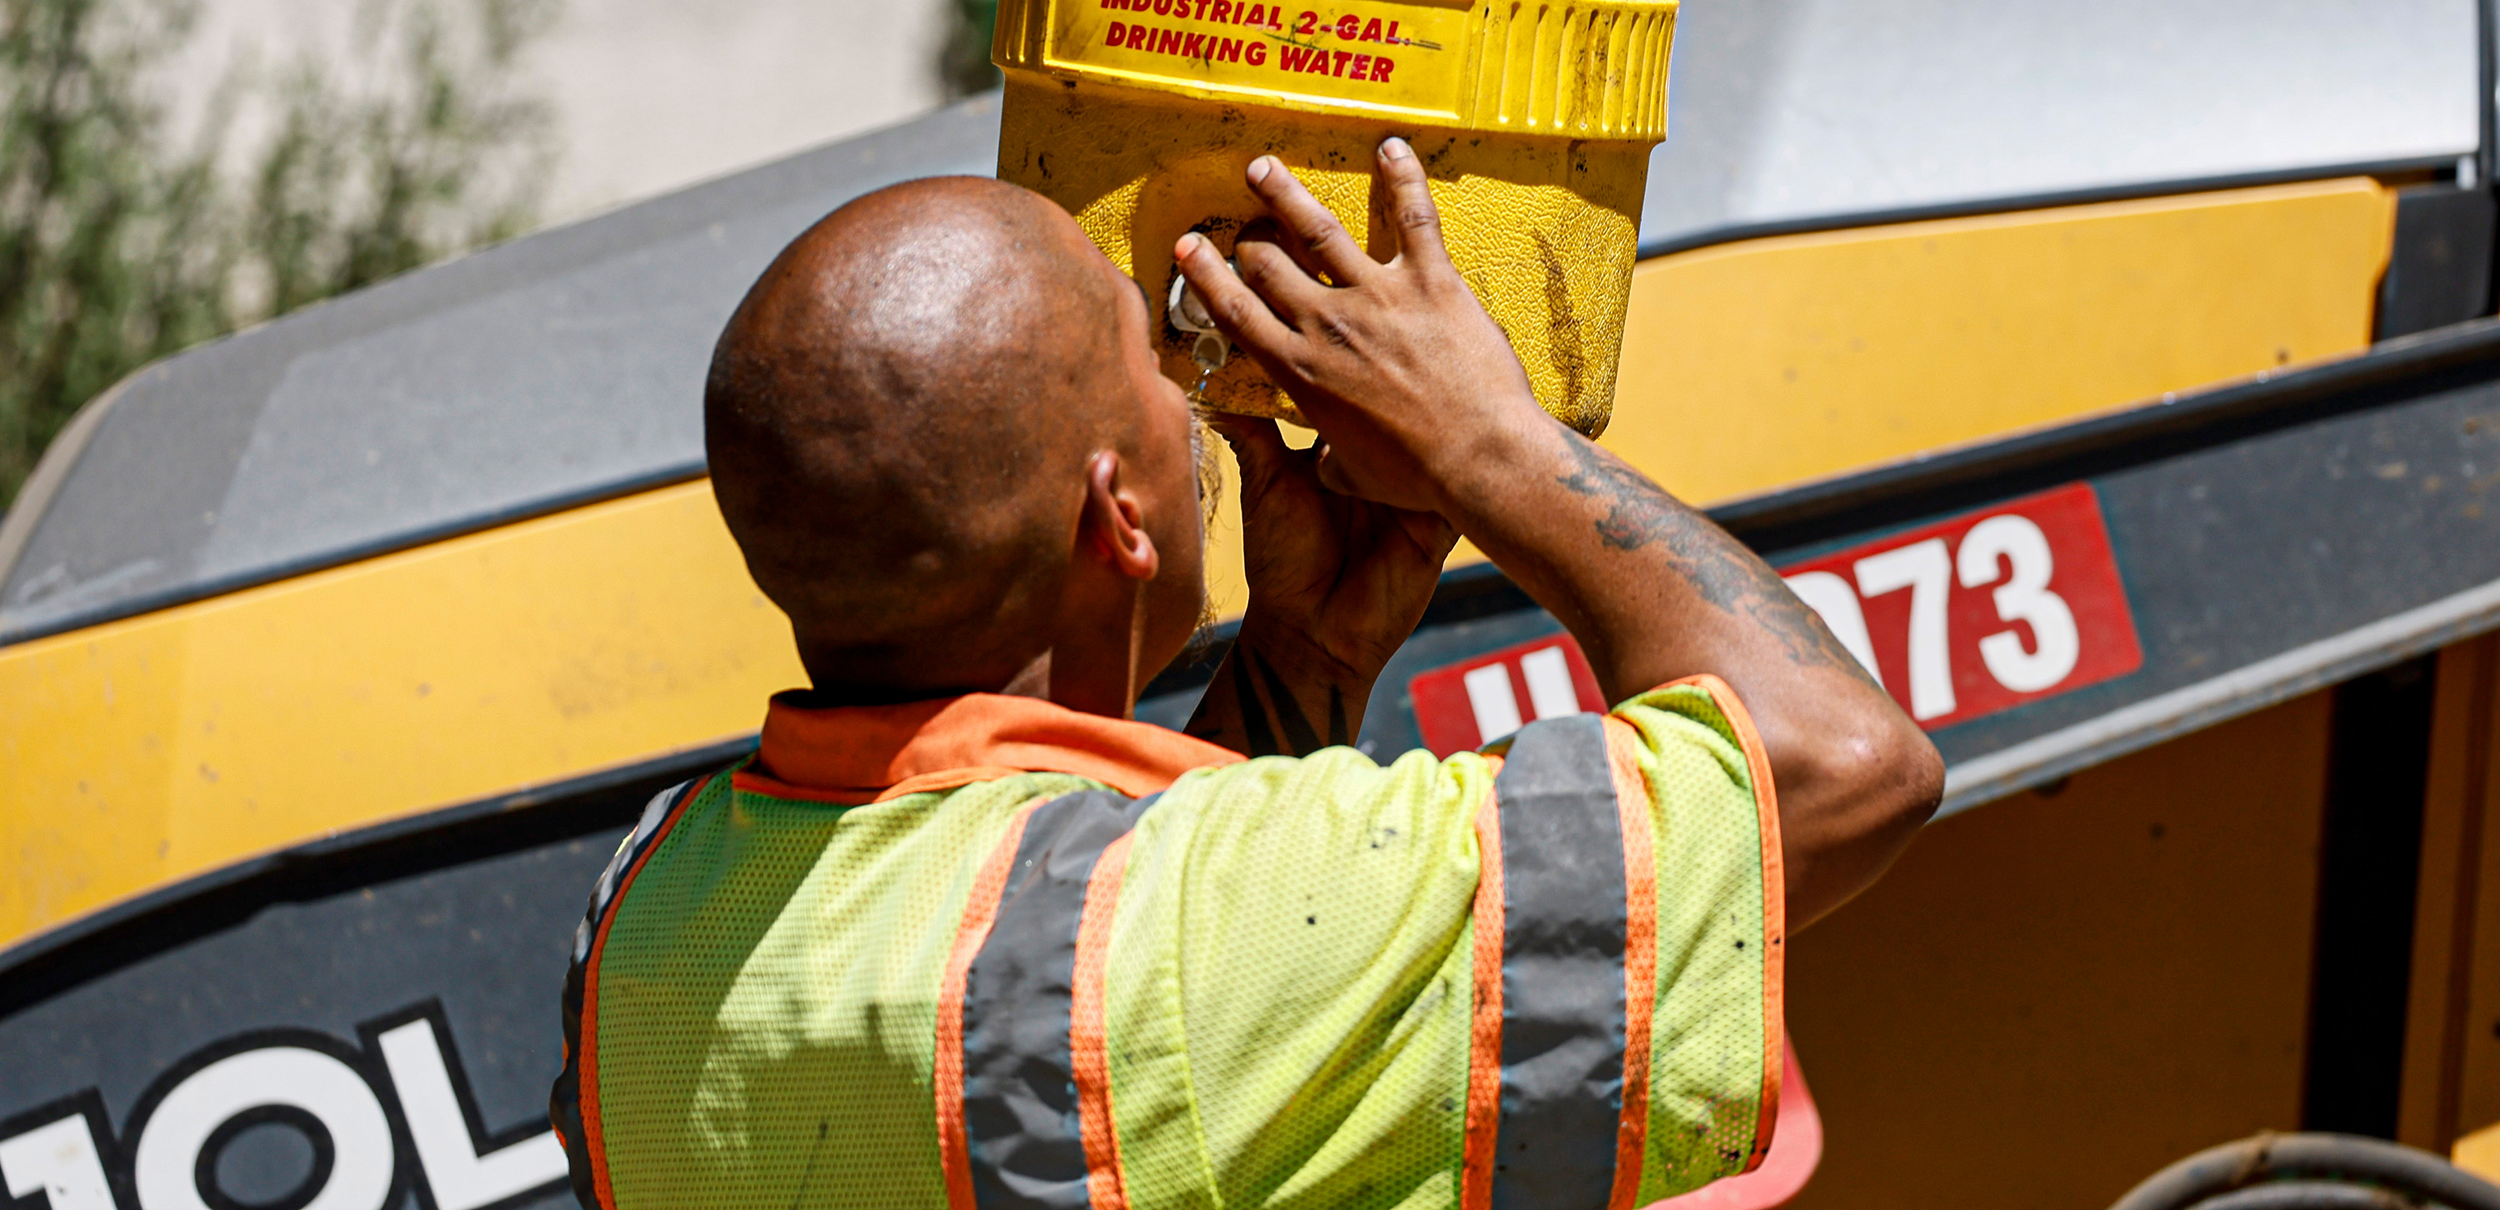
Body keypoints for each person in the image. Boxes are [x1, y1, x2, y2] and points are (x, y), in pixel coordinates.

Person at [550, 139, 1943, 1210]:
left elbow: (1126, 1037)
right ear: (1123, 519)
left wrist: (1305, 662)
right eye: (1153, 361)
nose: (1189, 392)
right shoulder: (1177, 948)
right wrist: (1487, 439)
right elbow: (1837, 763)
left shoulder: (645, 924)